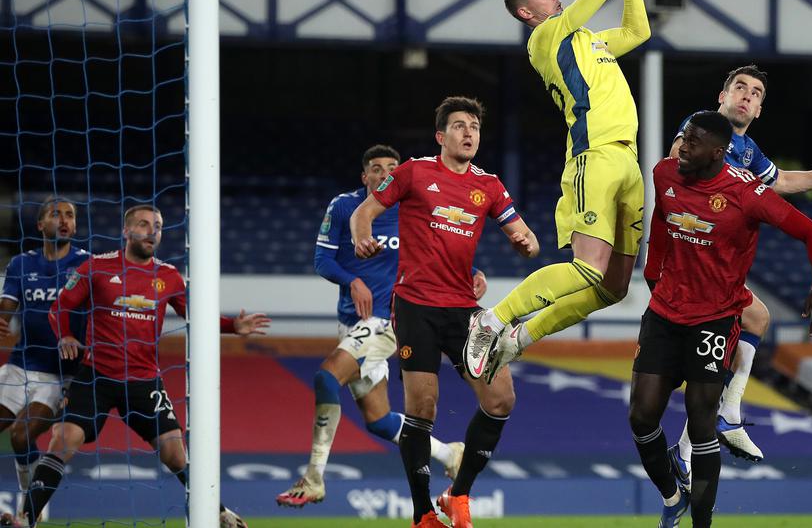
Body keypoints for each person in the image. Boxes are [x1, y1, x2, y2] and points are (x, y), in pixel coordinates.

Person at [463, 0, 650, 383]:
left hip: (628, 161)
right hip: (596, 156)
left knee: (614, 287)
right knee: (587, 269)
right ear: (527, 13)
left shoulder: (587, 40)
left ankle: (520, 339)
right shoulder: (546, 38)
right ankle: (492, 320)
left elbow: (637, 33)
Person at [632, 111, 812, 528]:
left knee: (702, 425)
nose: (682, 145)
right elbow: (662, 228)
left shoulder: (747, 194)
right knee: (641, 416)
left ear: (718, 152)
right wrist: (654, 277)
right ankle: (672, 497)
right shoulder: (664, 173)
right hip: (665, 315)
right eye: (683, 137)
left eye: (692, 141)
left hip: (714, 321)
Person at [14, 205, 270, 527]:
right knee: (62, 440)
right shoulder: (97, 267)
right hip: (97, 377)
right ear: (126, 231)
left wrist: (233, 326)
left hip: (144, 382)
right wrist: (65, 334)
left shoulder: (169, 276)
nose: (152, 231)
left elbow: (197, 314)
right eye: (144, 224)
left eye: (158, 226)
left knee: (177, 456)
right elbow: (59, 307)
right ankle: (27, 518)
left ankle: (219, 513)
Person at [350, 97, 540, 528]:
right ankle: (422, 516)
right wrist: (362, 237)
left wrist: (525, 242)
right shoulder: (415, 171)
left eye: (474, 125)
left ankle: (458, 494)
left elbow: (524, 233)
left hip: (464, 311)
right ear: (441, 136)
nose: (469, 132)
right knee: (424, 408)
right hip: (416, 305)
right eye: (459, 126)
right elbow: (366, 212)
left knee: (501, 398)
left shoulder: (488, 185)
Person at [668, 64, 812, 465]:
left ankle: (705, 433)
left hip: (715, 268)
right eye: (739, 88)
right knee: (714, 355)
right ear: (722, 96)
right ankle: (712, 426)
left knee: (756, 321)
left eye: (755, 94)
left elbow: (783, 183)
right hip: (685, 258)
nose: (746, 96)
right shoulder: (700, 128)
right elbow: (677, 160)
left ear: (759, 110)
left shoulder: (749, 151)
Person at [277, 145, 473, 508]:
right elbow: (322, 259)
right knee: (378, 420)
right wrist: (352, 280)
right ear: (364, 176)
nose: (384, 174)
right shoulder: (344, 207)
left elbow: (441, 252)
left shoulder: (411, 208)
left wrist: (473, 274)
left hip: (391, 320)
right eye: (376, 169)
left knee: (325, 378)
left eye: (391, 168)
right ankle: (451, 454)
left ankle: (314, 478)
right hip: (352, 323)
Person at [0, 198, 90, 514]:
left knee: (21, 436)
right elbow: (6, 310)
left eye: (70, 216)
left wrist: (79, 379)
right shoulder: (21, 264)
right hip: (19, 366)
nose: (64, 220)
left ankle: (30, 502)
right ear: (41, 224)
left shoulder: (87, 265)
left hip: (59, 374)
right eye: (56, 214)